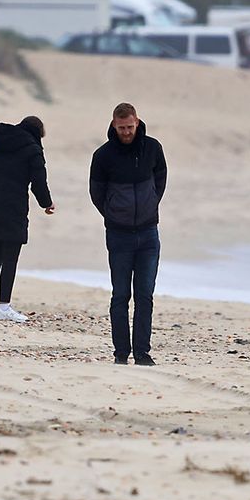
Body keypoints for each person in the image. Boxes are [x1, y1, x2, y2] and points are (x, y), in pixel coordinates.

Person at [89, 101, 167, 365]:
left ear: (137, 122)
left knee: (145, 294)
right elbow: (96, 192)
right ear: (113, 124)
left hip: (148, 233)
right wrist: (113, 213)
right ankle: (121, 352)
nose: (126, 132)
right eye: (121, 127)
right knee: (121, 294)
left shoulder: (153, 148)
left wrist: (150, 205)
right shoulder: (103, 155)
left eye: (130, 126)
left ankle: (143, 352)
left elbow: (161, 179)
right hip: (118, 234)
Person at [0, 115, 55, 322]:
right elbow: (39, 181)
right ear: (38, 133)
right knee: (10, 258)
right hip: (13, 209)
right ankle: (4, 307)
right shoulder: (33, 149)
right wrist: (47, 203)